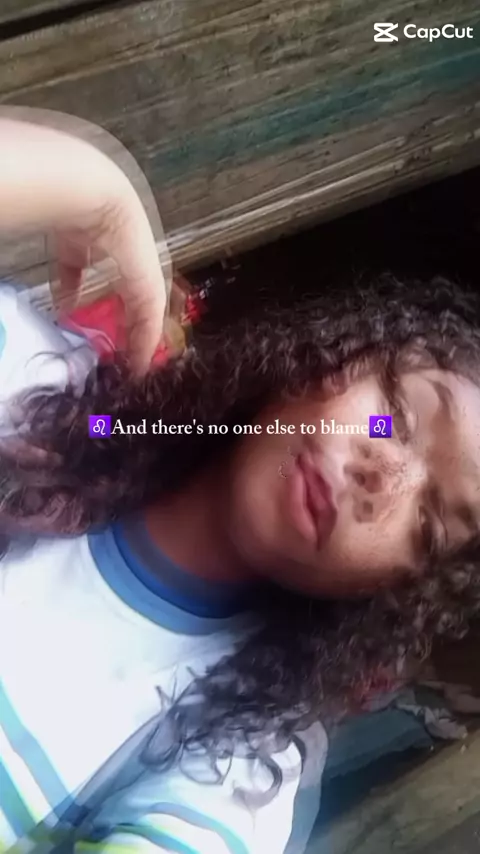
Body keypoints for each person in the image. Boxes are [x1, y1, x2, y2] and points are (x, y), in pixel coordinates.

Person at [1, 114, 480, 854]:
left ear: (393, 589)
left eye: (427, 524)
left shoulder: (236, 758)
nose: (382, 477)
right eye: (397, 415)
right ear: (331, 355)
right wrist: (95, 184)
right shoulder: (59, 399)